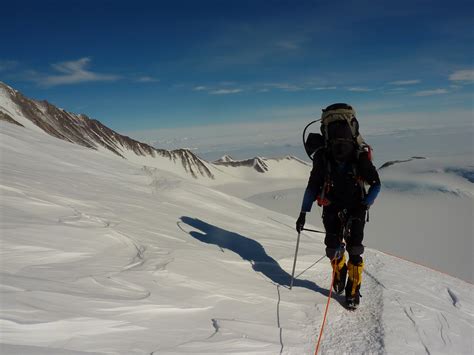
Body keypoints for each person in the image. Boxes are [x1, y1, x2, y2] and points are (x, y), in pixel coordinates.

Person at [296, 103, 381, 309]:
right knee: (355, 248)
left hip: (331, 206)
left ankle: (340, 273)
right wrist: (364, 205)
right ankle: (352, 293)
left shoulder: (322, 156)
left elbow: (312, 186)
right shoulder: (358, 154)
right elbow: (376, 185)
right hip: (356, 206)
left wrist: (303, 213)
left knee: (332, 246)